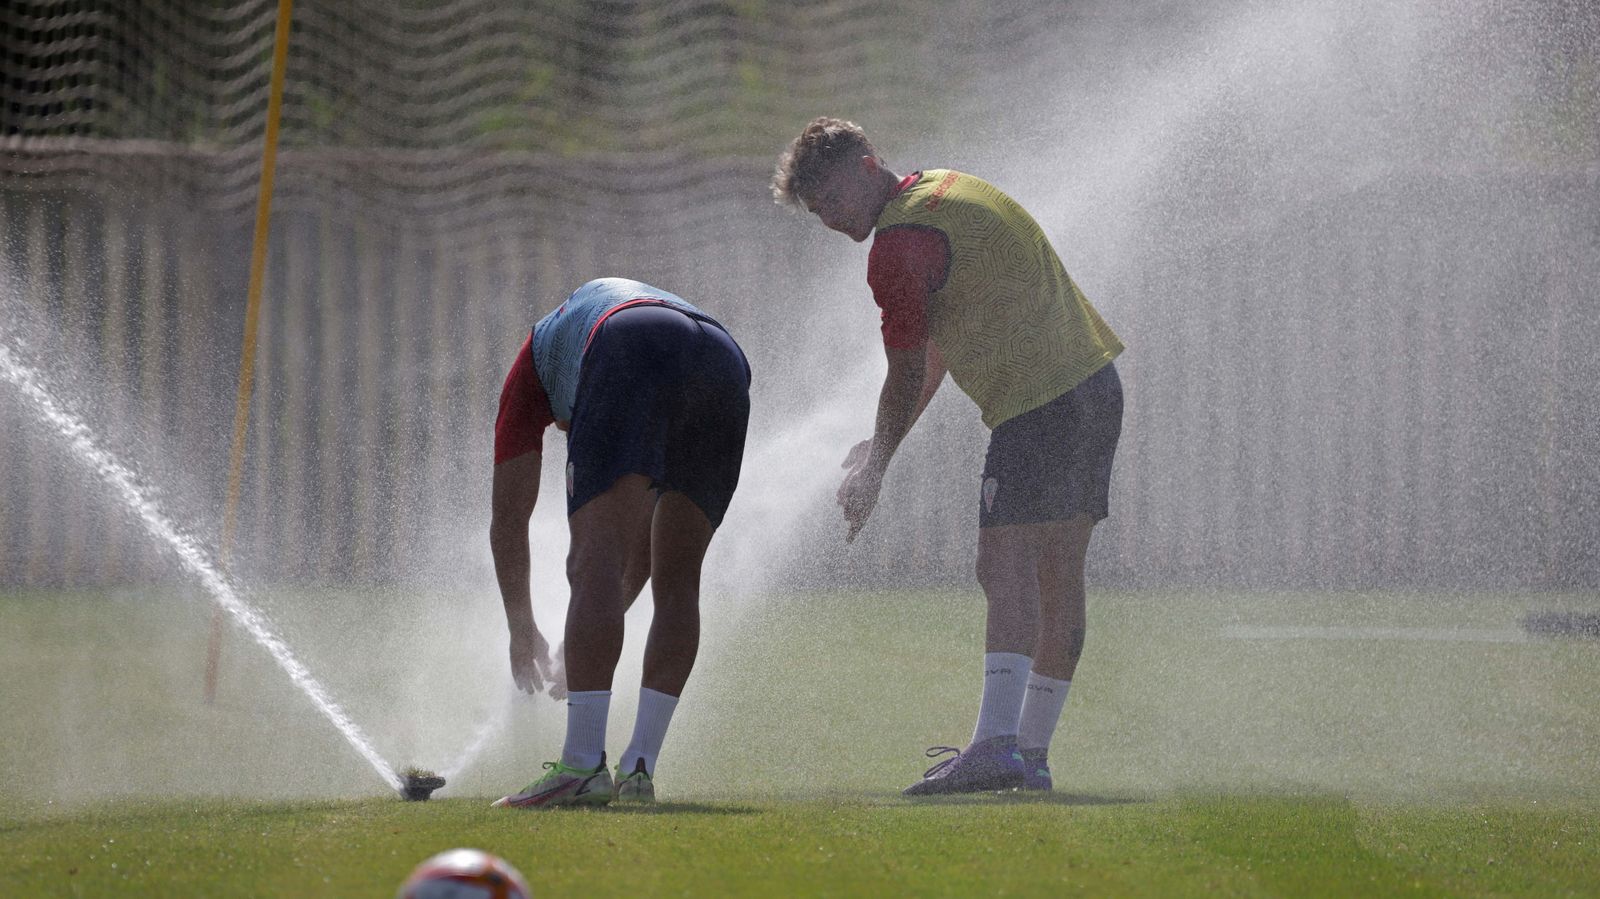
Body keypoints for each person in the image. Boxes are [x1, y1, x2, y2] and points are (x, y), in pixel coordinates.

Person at [772, 118, 1125, 795]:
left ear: (868, 165)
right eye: (818, 213)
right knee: (1058, 572)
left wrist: (876, 468)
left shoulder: (897, 244)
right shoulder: (945, 189)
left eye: (835, 200)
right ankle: (1031, 753)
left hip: (1039, 403)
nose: (833, 220)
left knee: (1003, 565)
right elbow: (937, 348)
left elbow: (905, 371)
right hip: (1095, 385)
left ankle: (997, 745)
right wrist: (881, 444)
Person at [487, 277, 751, 808]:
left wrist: (523, 629)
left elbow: (508, 519)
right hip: (724, 356)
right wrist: (584, 638)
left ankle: (581, 766)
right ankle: (638, 770)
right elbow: (647, 561)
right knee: (680, 578)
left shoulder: (531, 372)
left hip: (630, 337)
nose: (568, 432)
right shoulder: (571, 343)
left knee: (591, 558)